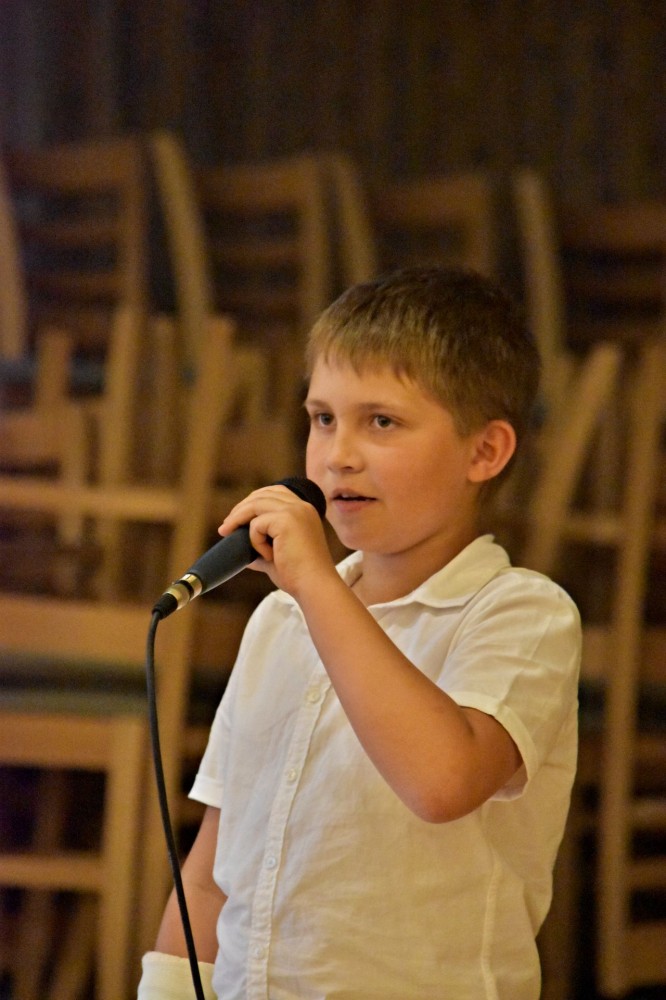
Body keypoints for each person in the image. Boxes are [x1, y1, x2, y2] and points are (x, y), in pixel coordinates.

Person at [138, 266, 581, 1000]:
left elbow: (442, 780)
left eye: (381, 422)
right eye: (321, 418)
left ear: (485, 452)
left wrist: (316, 584)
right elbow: (214, 870)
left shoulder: (522, 613)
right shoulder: (280, 621)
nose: (337, 454)